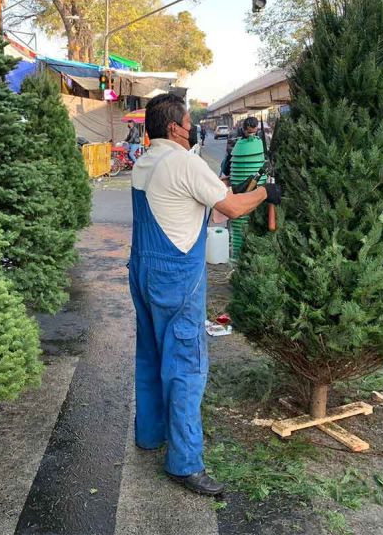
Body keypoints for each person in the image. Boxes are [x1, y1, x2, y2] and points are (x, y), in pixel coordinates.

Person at [129, 94, 281, 496]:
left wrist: (235, 189)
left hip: (142, 270)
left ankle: (150, 435)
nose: (192, 124)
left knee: (150, 354)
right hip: (175, 277)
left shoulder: (146, 160)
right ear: (176, 127)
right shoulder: (184, 162)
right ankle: (184, 462)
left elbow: (199, 195)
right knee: (185, 364)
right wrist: (266, 193)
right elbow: (230, 208)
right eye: (188, 119)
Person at [220, 116, 259, 182]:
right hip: (235, 168)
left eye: (254, 132)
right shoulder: (234, 134)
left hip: (252, 168)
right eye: (249, 132)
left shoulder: (258, 135)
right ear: (244, 129)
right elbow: (230, 151)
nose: (252, 135)